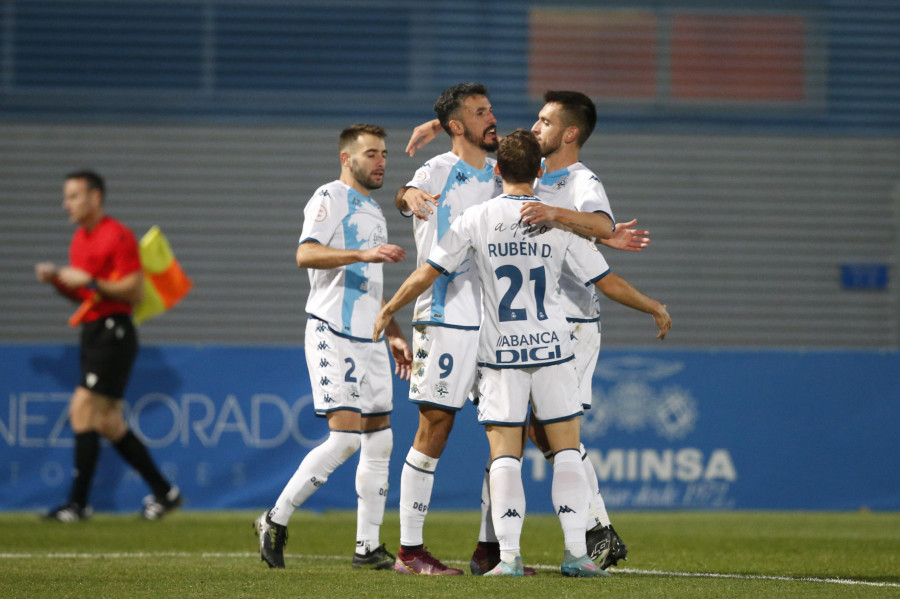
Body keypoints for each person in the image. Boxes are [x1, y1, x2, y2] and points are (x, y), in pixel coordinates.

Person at [375, 130, 671, 577]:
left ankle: (509, 558)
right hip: (554, 350)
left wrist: (390, 308)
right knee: (567, 451)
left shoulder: (476, 218)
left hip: (501, 356)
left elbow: (428, 273)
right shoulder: (556, 219)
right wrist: (653, 305)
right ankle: (576, 555)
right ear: (539, 171)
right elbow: (606, 282)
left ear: (497, 170)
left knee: (505, 456)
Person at [254, 124, 412, 570]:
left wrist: (394, 329)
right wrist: (362, 255)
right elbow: (305, 253)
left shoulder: (375, 212)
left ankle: (367, 546)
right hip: (333, 331)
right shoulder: (329, 198)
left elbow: (370, 283)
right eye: (370, 154)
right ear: (347, 158)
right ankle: (274, 518)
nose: (380, 161)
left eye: (383, 153)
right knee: (344, 440)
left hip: (372, 337)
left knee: (379, 438)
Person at [390, 82, 500, 575]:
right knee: (436, 424)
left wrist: (440, 121)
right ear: (459, 126)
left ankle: (489, 548)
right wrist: (407, 195)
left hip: (496, 319)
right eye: (480, 113)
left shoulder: (503, 171)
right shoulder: (437, 170)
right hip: (444, 315)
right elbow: (405, 194)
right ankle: (410, 551)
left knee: (508, 427)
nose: (491, 118)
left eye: (490, 109)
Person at [35, 170, 182, 522]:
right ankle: (165, 492)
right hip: (93, 330)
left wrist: (91, 280)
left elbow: (134, 291)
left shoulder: (117, 236)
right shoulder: (79, 240)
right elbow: (85, 296)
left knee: (82, 408)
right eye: (66, 196)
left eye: (73, 196)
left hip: (114, 332)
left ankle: (77, 504)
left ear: (95, 197)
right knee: (109, 422)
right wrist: (58, 281)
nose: (65, 203)